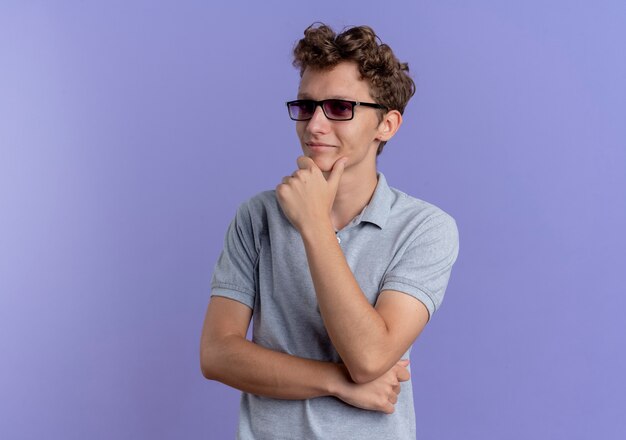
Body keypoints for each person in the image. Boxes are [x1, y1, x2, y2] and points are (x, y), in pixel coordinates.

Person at [200, 23, 459, 439]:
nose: (314, 125)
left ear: (387, 125)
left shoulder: (425, 228)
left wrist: (314, 225)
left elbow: (370, 358)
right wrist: (337, 382)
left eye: (339, 107)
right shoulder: (257, 217)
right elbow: (216, 354)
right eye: (306, 106)